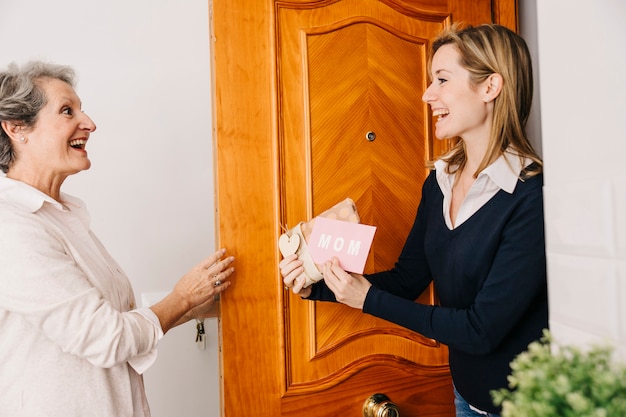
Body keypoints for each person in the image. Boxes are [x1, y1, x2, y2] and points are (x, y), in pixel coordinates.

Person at [280, 23, 547, 417]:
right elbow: (408, 279)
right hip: (466, 397)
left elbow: (481, 329)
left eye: (441, 79)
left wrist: (367, 299)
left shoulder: (531, 197)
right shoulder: (439, 182)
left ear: (490, 87)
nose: (427, 95)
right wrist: (315, 285)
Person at [0, 61, 235, 416]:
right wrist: (182, 298)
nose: (89, 123)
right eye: (67, 111)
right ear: (18, 129)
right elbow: (106, 337)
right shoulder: (12, 226)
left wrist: (193, 305)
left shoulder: (61, 217)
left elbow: (112, 321)